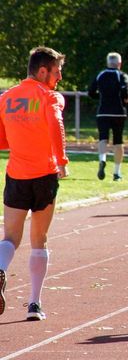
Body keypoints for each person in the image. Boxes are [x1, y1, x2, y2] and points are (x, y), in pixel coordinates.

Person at [0, 46, 69, 321]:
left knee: (10, 238)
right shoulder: (50, 97)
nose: (60, 78)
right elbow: (56, 125)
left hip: (16, 175)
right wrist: (61, 160)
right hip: (44, 175)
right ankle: (34, 304)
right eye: (57, 71)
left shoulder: (6, 98)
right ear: (43, 71)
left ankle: (1, 267)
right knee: (38, 239)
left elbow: (1, 138)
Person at [88, 52, 128, 181]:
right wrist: (126, 99)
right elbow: (124, 89)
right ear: (119, 63)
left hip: (103, 111)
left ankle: (102, 159)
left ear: (107, 63)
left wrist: (100, 97)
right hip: (118, 112)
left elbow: (91, 91)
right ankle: (117, 172)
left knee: (103, 138)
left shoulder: (100, 75)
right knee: (118, 141)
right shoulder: (122, 75)